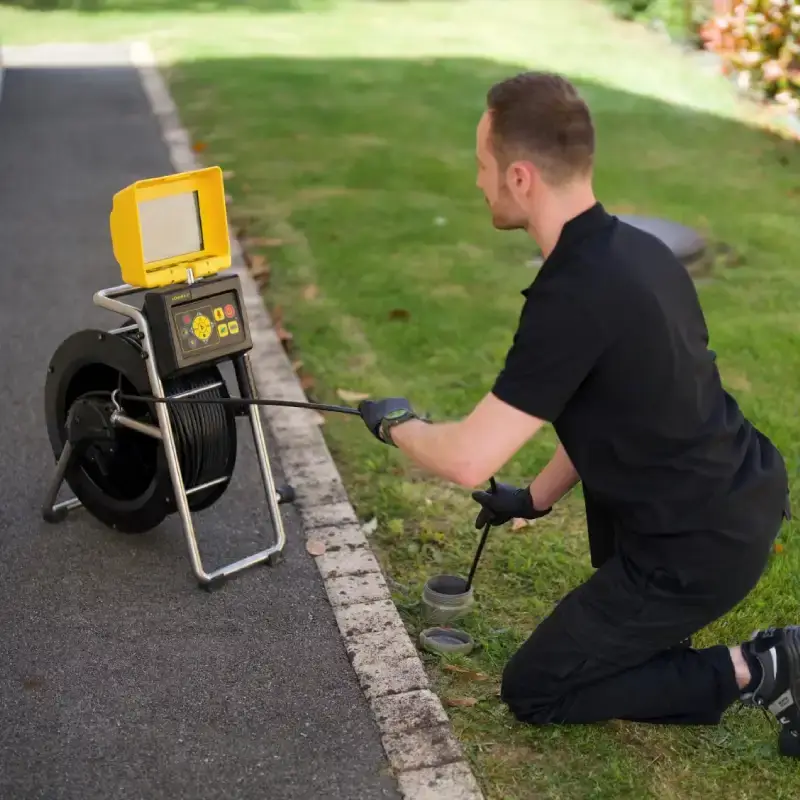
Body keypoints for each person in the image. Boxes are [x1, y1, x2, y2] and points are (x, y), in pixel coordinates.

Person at [356, 71, 799, 756]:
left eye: (483, 167)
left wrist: (394, 424)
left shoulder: (574, 297)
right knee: (610, 629)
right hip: (729, 498)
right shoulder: (636, 250)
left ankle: (763, 667)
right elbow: (614, 406)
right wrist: (532, 498)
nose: (478, 183)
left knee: (537, 688)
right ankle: (664, 640)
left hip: (695, 545)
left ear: (522, 178)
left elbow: (470, 455)